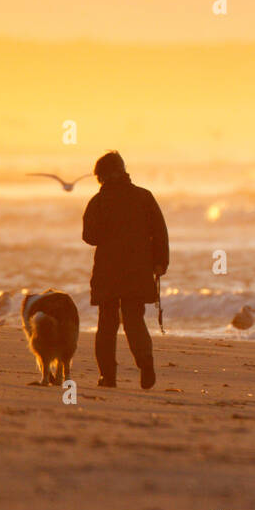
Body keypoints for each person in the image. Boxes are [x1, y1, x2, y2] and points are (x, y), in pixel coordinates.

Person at [82, 151, 169, 389]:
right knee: (134, 321)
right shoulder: (144, 197)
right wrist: (161, 263)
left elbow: (89, 237)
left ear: (101, 176)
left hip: (107, 273)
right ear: (123, 170)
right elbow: (160, 233)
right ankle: (146, 363)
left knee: (107, 324)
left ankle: (108, 377)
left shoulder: (98, 202)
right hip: (138, 271)